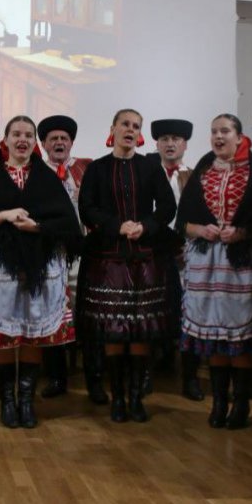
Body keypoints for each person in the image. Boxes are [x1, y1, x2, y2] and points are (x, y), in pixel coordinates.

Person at [0, 115, 81, 429]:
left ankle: (26, 401)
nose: (23, 139)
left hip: (39, 268)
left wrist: (37, 226)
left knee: (31, 336)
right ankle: (7, 403)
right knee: (6, 338)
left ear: (34, 141)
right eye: (17, 134)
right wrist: (1, 215)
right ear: (7, 140)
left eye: (28, 134)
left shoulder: (45, 177)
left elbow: (67, 224)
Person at [177, 113, 252, 430]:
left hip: (240, 263)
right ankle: (219, 400)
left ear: (239, 137)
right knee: (214, 336)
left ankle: (241, 403)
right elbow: (184, 220)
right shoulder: (204, 168)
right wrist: (199, 228)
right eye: (214, 132)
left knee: (238, 334)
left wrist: (244, 232)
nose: (218, 137)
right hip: (205, 263)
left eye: (225, 131)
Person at [78, 109, 176, 422]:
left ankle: (136, 398)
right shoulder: (97, 168)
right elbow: (87, 208)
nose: (130, 130)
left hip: (145, 259)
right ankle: (117, 398)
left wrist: (144, 226)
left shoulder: (150, 166)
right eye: (125, 124)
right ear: (113, 129)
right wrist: (116, 226)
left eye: (136, 126)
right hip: (108, 260)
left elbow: (168, 207)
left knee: (140, 332)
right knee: (114, 330)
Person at [37, 115, 96, 400]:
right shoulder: (36, 173)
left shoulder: (87, 169)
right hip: (50, 255)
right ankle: (57, 378)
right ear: (44, 144)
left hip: (84, 253)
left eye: (64, 138)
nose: (59, 143)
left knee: (88, 314)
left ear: (71, 142)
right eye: (53, 139)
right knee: (52, 315)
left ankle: (94, 380)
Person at [148, 118, 202, 401]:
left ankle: (190, 377)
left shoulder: (195, 177)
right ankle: (149, 371)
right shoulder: (145, 173)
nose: (170, 144)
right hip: (151, 253)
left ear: (185, 144)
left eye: (176, 139)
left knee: (189, 312)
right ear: (157, 143)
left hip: (185, 254)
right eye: (165, 139)